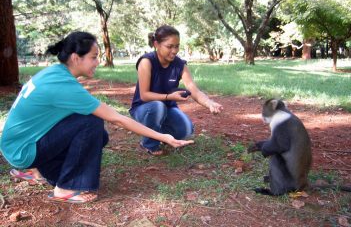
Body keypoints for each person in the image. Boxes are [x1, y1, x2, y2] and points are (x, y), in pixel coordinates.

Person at [0, 31, 193, 204]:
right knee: (90, 122)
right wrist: (164, 137)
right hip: (23, 150)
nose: (97, 62)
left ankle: (39, 170)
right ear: (76, 58)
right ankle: (66, 187)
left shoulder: (55, 73)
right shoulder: (64, 85)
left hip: (17, 145)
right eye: (93, 57)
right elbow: (118, 119)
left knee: (99, 136)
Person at [129, 25, 223, 156]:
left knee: (186, 130)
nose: (174, 51)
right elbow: (144, 96)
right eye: (169, 46)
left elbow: (194, 90)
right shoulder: (147, 61)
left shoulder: (180, 64)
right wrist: (169, 97)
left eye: (177, 46)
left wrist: (209, 103)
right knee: (157, 106)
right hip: (144, 108)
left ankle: (159, 133)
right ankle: (149, 143)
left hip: (167, 108)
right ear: (156, 44)